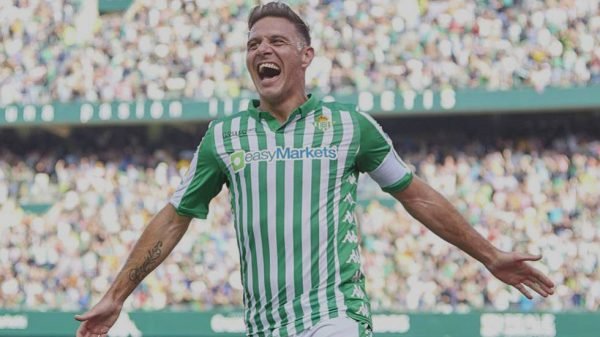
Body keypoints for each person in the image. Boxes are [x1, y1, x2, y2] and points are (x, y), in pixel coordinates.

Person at [75, 2, 555, 337]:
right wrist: (117, 294)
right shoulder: (224, 137)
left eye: (277, 42)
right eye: (253, 43)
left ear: (305, 56)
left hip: (335, 316)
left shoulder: (349, 127)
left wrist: (489, 254)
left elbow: (415, 194)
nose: (262, 50)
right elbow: (175, 216)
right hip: (263, 325)